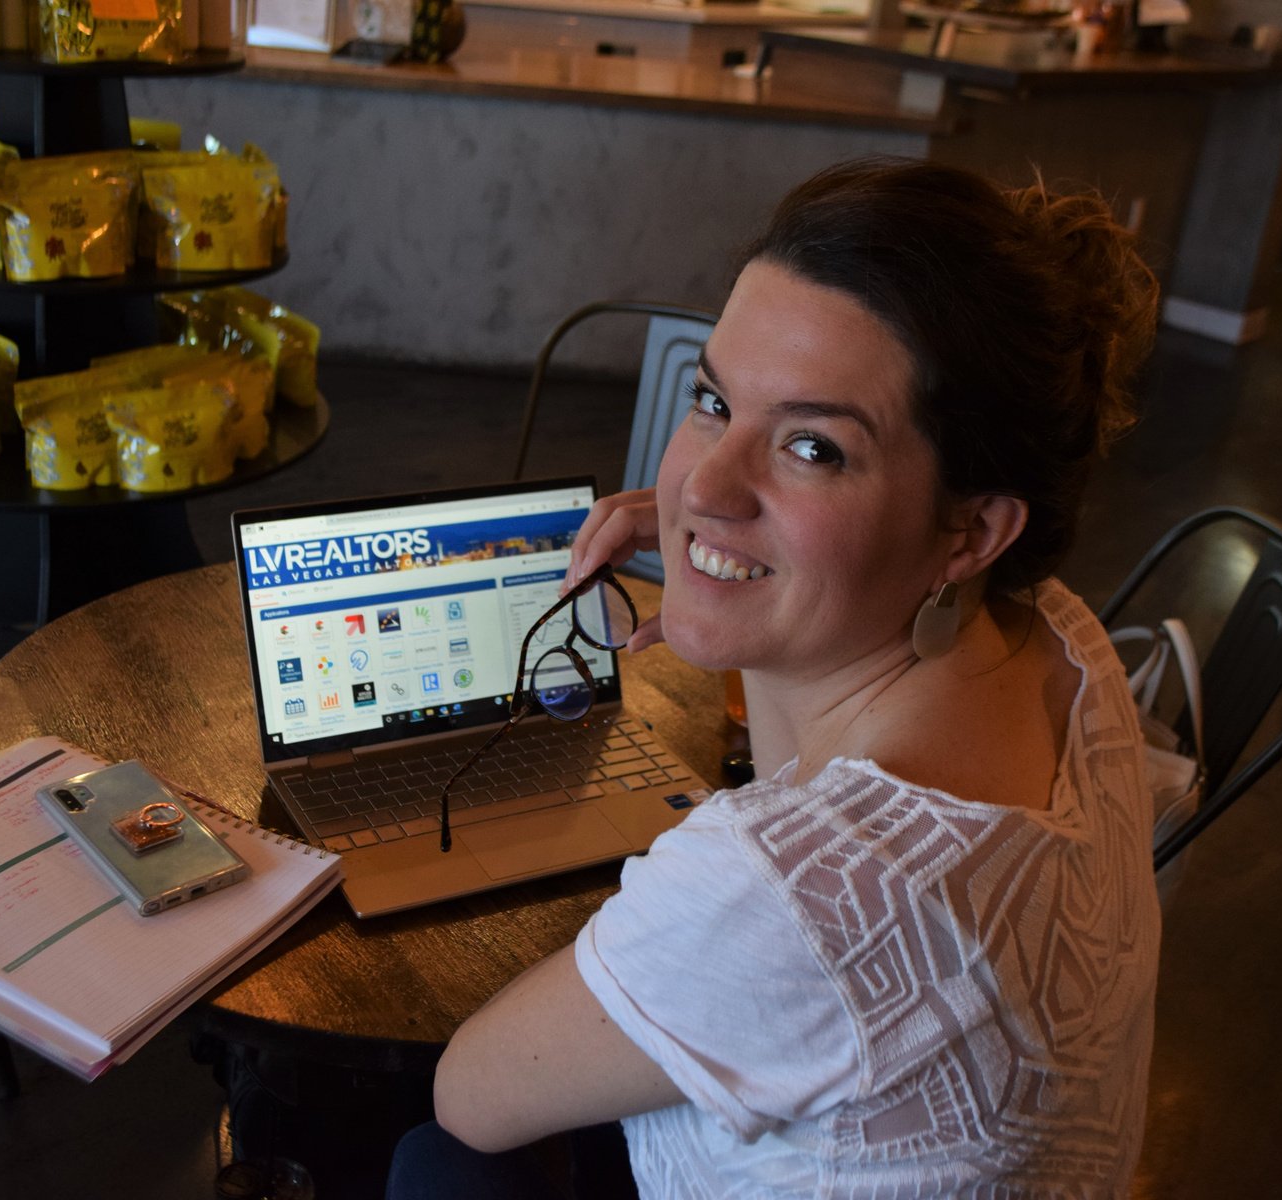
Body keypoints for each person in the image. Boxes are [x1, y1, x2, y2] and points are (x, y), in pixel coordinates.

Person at [388, 155, 1164, 1198]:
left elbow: (472, 1093)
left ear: (973, 530)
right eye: (714, 400)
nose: (700, 484)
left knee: (434, 1160)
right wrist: (742, 570)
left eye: (814, 447)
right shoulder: (1064, 641)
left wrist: (730, 570)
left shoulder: (791, 893)